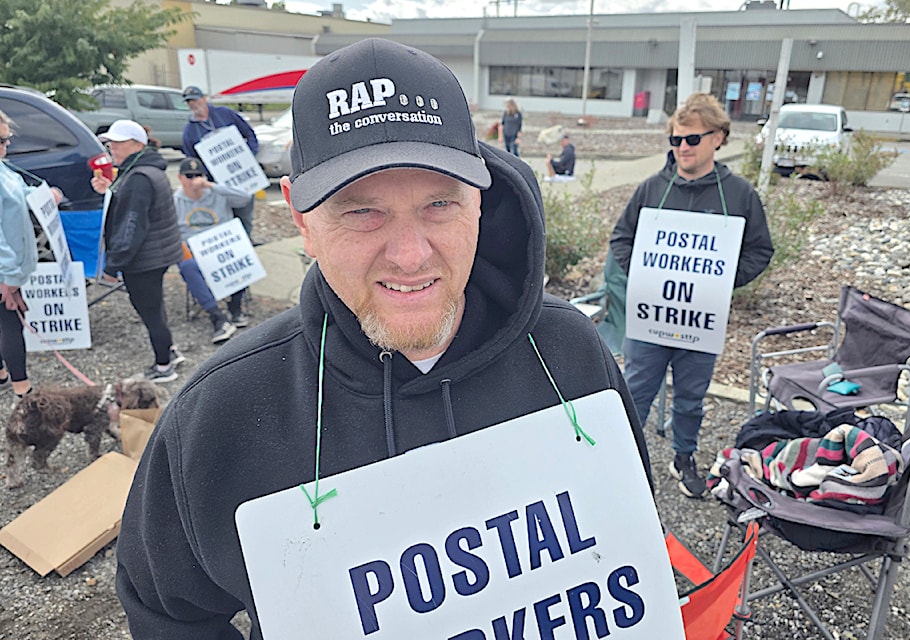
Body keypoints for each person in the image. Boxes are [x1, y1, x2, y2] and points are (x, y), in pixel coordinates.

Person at [115, 38, 651, 638]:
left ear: (479, 200)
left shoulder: (570, 355)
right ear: (300, 219)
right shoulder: (219, 416)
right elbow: (166, 610)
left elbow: (627, 540)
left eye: (440, 203)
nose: (409, 255)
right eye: (360, 211)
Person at [610, 93, 773, 499]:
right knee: (635, 393)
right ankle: (619, 464)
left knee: (690, 399)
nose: (683, 147)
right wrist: (644, 273)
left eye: (692, 139)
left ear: (718, 138)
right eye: (675, 140)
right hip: (651, 317)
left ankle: (684, 457)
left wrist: (721, 280)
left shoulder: (739, 194)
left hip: (700, 322)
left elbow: (760, 250)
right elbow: (621, 238)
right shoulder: (652, 189)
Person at [91, 120, 184, 383]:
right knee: (155, 306)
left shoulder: (138, 177)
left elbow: (131, 227)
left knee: (149, 310)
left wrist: (113, 265)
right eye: (110, 142)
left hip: (144, 259)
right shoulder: (145, 168)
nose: (112, 148)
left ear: (137, 144)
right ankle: (170, 351)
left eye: (118, 143)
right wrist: (109, 191)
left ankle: (164, 366)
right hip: (157, 253)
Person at [0, 110, 63, 398]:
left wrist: (45, 195)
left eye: (8, 139)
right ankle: (22, 390)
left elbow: (20, 192)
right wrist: (10, 275)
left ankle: (2, 373)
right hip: (5, 268)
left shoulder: (3, 168)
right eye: (2, 140)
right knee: (10, 324)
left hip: (10, 265)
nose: (7, 146)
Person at [174, 157, 251, 344]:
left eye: (198, 175)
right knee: (187, 266)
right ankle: (217, 316)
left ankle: (235, 307)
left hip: (222, 246)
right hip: (195, 250)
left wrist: (211, 185)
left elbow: (245, 198)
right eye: (189, 176)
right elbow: (173, 231)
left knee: (239, 254)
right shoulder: (175, 200)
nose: (194, 180)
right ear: (180, 178)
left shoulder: (217, 193)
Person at [180, 85, 259, 239]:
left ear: (204, 99)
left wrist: (249, 156)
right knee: (224, 216)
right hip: (216, 182)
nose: (193, 104)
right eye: (189, 102)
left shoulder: (225, 114)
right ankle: (234, 242)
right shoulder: (189, 131)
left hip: (242, 175)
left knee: (245, 212)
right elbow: (192, 159)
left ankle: (247, 243)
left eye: (195, 100)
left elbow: (249, 134)